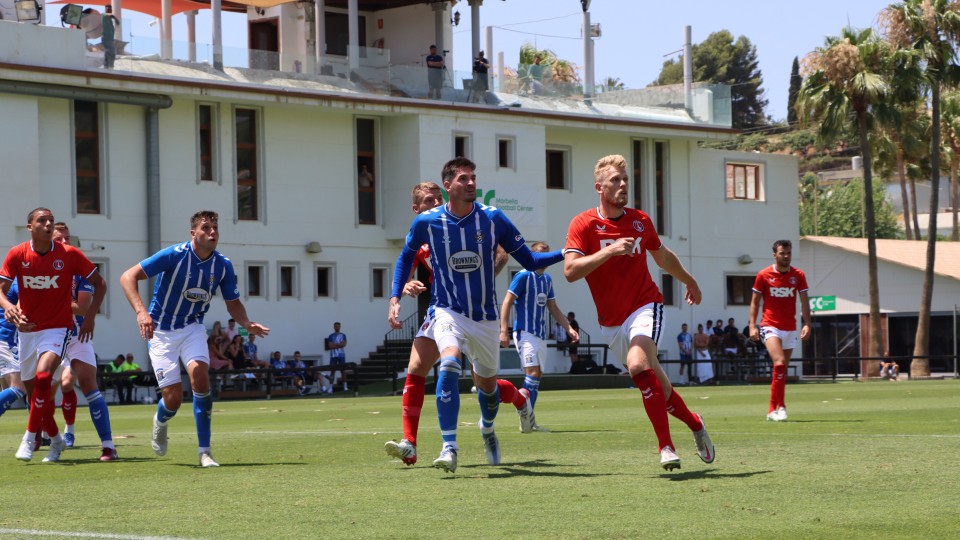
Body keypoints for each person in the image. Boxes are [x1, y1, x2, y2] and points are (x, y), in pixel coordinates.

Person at [388, 156, 563, 473]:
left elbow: (529, 260)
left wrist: (567, 252)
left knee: (488, 387)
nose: (471, 183)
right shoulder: (427, 223)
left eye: (473, 178)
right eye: (464, 179)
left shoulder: (493, 219)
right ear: (449, 185)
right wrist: (395, 295)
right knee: (449, 361)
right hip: (446, 311)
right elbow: (405, 257)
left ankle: (489, 427)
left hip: (484, 318)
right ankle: (448, 447)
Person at [563, 155, 714, 471]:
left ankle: (666, 447)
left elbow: (662, 257)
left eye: (625, 179)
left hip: (646, 306)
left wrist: (690, 280)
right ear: (599, 187)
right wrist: (610, 250)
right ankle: (695, 422)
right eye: (615, 180)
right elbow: (570, 271)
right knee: (660, 387)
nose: (622, 185)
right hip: (611, 323)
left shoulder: (640, 220)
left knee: (636, 364)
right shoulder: (582, 223)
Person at [383, 181, 521, 467]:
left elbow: (502, 254)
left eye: (438, 199)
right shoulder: (422, 232)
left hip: (474, 312)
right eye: (429, 201)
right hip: (442, 312)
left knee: (485, 382)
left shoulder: (456, 225)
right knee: (416, 368)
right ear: (416, 208)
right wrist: (406, 287)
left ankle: (520, 400)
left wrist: (476, 278)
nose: (435, 205)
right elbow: (404, 267)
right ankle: (410, 443)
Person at [120, 210, 269, 467]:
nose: (212, 232)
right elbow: (127, 276)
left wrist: (246, 323)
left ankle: (205, 452)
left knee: (200, 377)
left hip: (192, 328)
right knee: (173, 399)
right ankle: (161, 421)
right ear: (193, 233)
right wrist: (141, 313)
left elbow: (233, 303)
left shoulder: (223, 265)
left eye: (215, 228)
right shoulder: (174, 256)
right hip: (161, 332)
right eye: (206, 228)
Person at [0, 208, 106, 462]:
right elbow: (1, 290)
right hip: (27, 331)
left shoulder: (69, 254)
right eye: (42, 220)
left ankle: (28, 438)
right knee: (35, 393)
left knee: (44, 375)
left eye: (50, 220)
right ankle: (56, 441)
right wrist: (9, 307)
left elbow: (100, 283)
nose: (48, 224)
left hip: (58, 329)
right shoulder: (17, 254)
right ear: (30, 227)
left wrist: (89, 316)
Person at [49, 222, 117, 458]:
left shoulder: (79, 269)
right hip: (49, 335)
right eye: (59, 239)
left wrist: (88, 317)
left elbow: (83, 305)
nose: (65, 243)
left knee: (88, 384)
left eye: (67, 238)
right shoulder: (37, 267)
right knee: (43, 388)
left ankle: (108, 445)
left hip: (77, 336)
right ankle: (45, 436)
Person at [500, 241, 578, 431]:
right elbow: (507, 302)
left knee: (537, 376)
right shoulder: (523, 275)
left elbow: (553, 307)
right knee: (532, 374)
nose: (545, 258)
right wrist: (504, 330)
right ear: (533, 256)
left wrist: (568, 328)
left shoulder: (547, 279)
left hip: (540, 335)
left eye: (547, 253)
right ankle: (525, 416)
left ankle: (529, 421)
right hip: (525, 332)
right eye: (540, 254)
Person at [748, 239, 811, 422]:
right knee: (780, 362)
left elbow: (804, 301)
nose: (786, 256)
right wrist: (753, 326)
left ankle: (771, 410)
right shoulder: (763, 275)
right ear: (775, 254)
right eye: (782, 253)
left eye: (789, 253)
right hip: (770, 326)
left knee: (780, 370)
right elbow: (755, 302)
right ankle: (781, 407)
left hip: (790, 328)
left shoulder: (798, 275)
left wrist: (807, 323)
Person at [0, 280, 25, 418]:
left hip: (5, 340)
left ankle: (39, 435)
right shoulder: (18, 282)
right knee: (19, 387)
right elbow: (23, 311)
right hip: (7, 341)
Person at [327, 322, 348, 391]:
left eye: (338, 326)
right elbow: (330, 346)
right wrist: (339, 344)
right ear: (334, 327)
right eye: (335, 326)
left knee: (343, 370)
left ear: (340, 327)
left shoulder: (343, 335)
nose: (337, 327)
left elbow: (344, 344)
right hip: (333, 356)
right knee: (332, 371)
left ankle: (345, 386)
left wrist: (335, 345)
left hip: (341, 355)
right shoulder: (331, 336)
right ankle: (330, 387)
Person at [101, 4, 120, 69]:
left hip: (110, 39)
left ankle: (110, 66)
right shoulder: (103, 15)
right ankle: (106, 65)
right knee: (109, 50)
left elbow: (117, 23)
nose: (108, 10)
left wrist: (115, 19)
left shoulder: (109, 19)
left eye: (110, 9)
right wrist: (114, 17)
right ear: (105, 10)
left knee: (112, 52)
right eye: (107, 9)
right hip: (105, 38)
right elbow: (107, 14)